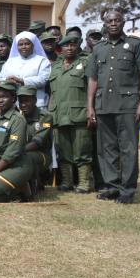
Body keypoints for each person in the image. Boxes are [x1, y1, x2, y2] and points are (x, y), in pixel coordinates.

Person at [86, 10, 140, 204]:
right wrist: (90, 107)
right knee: (106, 148)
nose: (113, 23)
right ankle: (112, 186)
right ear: (105, 24)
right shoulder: (98, 48)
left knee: (128, 149)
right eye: (109, 21)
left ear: (123, 22)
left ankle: (128, 189)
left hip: (128, 105)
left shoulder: (135, 44)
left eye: (117, 20)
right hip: (103, 105)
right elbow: (92, 78)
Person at [49, 34, 93, 192]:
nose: (69, 48)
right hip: (59, 115)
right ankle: (67, 182)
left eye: (73, 45)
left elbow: (93, 89)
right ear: (61, 48)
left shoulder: (86, 63)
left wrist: (91, 110)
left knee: (82, 150)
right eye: (66, 46)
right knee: (63, 151)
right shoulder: (56, 67)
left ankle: (84, 183)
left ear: (77, 46)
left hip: (79, 114)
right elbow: (52, 92)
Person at [0, 31, 51, 108]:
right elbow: (0, 79)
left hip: (36, 104)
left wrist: (22, 81)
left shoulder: (42, 61)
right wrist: (7, 80)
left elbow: (43, 80)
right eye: (20, 44)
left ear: (33, 45)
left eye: (27, 44)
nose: (24, 47)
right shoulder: (10, 61)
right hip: (14, 105)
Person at [18, 85, 53, 192]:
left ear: (35, 100)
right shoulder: (17, 117)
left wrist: (16, 152)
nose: (23, 105)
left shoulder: (45, 117)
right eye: (21, 101)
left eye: (27, 101)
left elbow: (37, 142)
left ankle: (36, 184)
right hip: (21, 152)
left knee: (27, 157)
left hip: (42, 155)